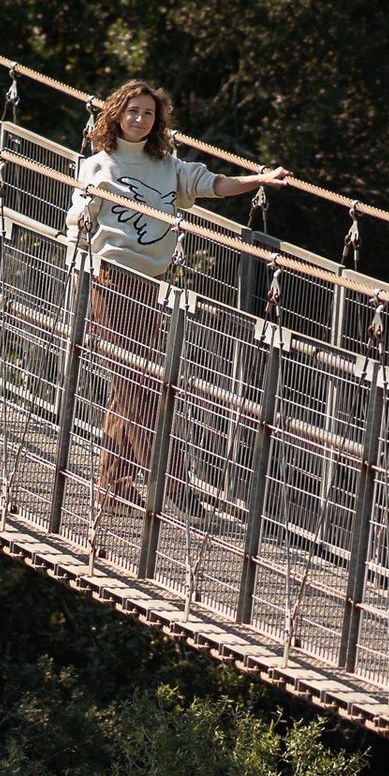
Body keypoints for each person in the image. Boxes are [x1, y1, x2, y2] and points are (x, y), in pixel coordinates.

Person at [67, 80, 288, 506]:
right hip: (112, 279)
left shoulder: (168, 166)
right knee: (139, 381)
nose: (140, 119)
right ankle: (173, 486)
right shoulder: (99, 165)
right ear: (116, 115)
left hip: (151, 285)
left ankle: (111, 490)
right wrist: (79, 236)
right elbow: (79, 217)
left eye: (148, 114)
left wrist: (260, 179)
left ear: (157, 121)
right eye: (132, 111)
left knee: (128, 384)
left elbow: (216, 185)